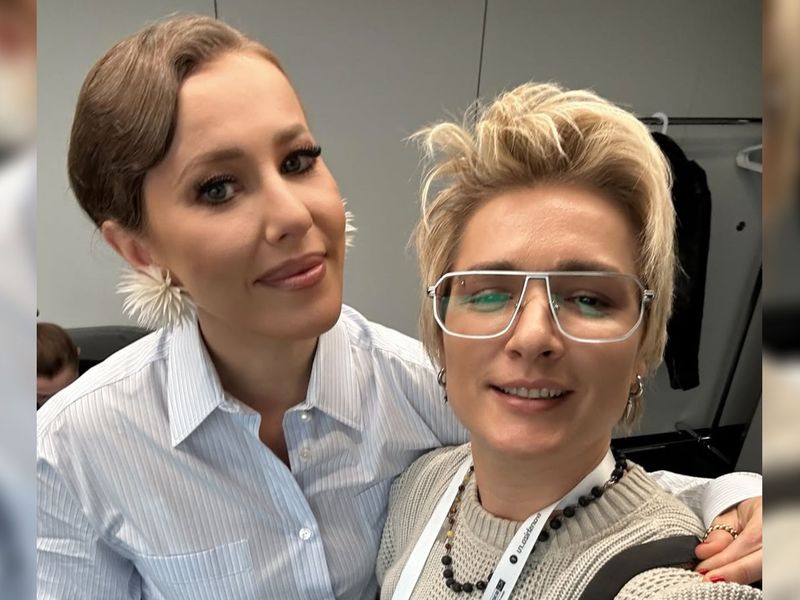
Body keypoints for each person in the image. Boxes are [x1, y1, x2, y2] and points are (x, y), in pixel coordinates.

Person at [37, 15, 760, 599]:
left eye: (297, 161)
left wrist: (733, 499)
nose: (293, 214)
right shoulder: (73, 451)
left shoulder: (422, 387)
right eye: (218, 188)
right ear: (139, 249)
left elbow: (571, 478)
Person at [376, 82, 761, 599]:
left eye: (589, 298)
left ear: (645, 344)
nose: (533, 336)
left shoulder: (669, 586)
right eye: (489, 292)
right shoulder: (419, 489)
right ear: (441, 333)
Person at [36, 322, 80, 408]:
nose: (61, 405)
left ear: (77, 356)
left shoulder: (101, 378)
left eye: (69, 389)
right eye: (44, 397)